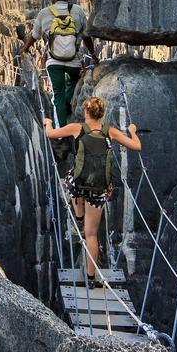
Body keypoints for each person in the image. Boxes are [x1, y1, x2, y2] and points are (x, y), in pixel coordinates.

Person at [43, 96, 140, 288]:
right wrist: (132, 131)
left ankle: (78, 215)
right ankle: (90, 277)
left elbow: (50, 134)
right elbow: (137, 146)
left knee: (70, 179)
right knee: (92, 235)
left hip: (79, 184)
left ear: (86, 112)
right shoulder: (109, 132)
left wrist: (48, 122)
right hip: (98, 190)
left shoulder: (77, 128)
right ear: (102, 114)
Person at [20, 0, 96, 127]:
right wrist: (93, 54)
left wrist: (25, 48)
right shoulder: (78, 11)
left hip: (53, 62)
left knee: (58, 95)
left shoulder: (44, 13)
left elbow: (34, 36)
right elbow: (86, 36)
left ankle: (63, 129)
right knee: (73, 83)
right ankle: (69, 109)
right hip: (75, 61)